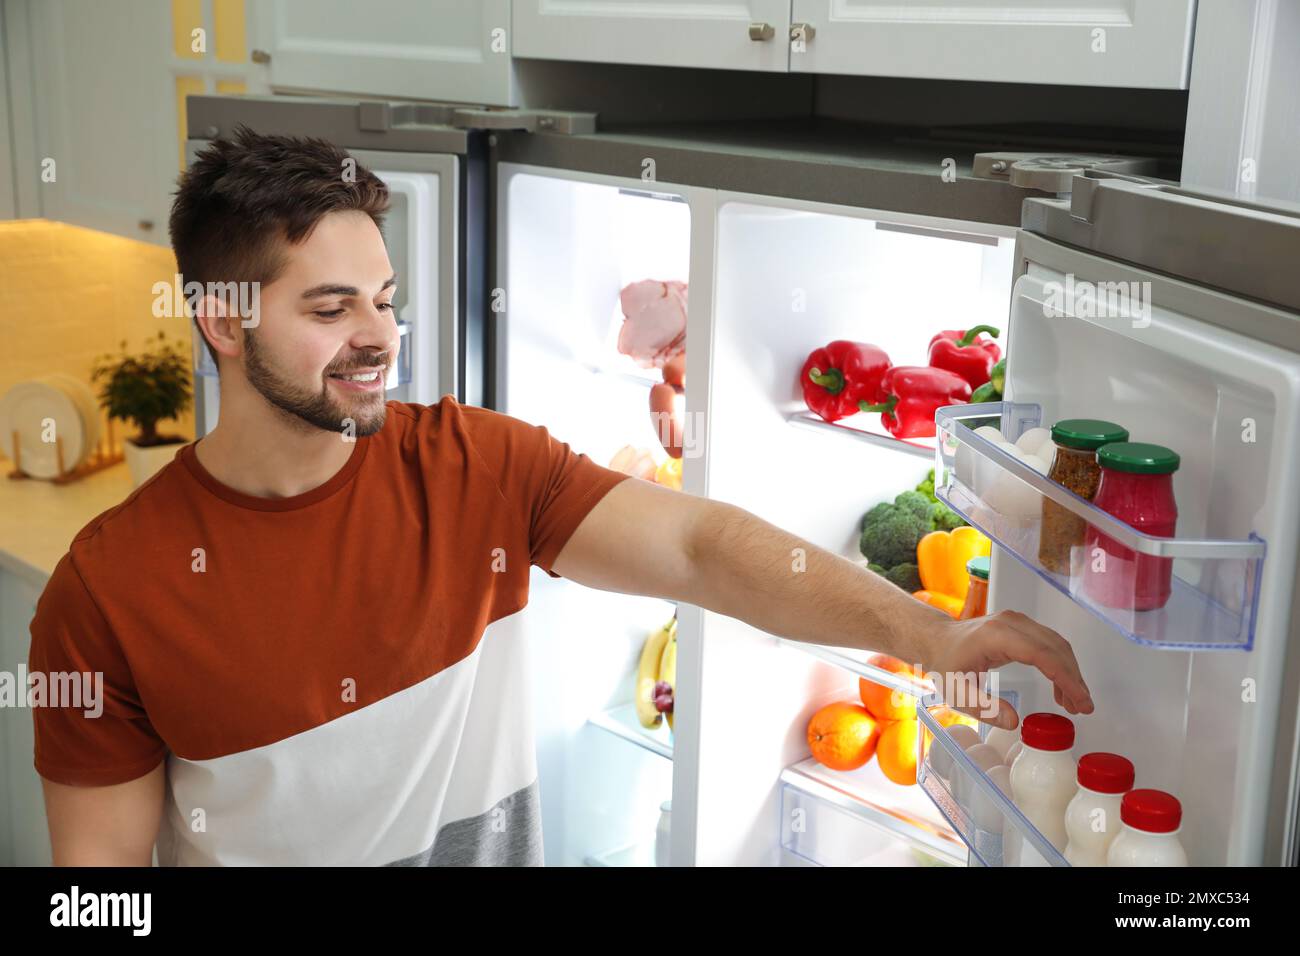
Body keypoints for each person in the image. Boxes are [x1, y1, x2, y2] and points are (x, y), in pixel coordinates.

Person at [29, 126, 1092, 866]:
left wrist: (928, 634)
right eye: (329, 306)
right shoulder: (107, 593)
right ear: (221, 319)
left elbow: (704, 548)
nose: (379, 338)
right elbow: (97, 882)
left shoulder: (475, 468)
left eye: (387, 301)